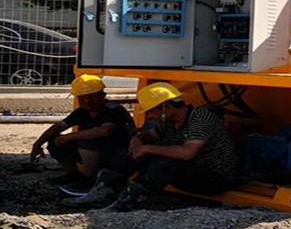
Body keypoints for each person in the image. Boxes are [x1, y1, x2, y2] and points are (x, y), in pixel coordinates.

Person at [64, 81, 240, 211]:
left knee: (166, 163)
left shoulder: (201, 119)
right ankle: (103, 192)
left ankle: (125, 203)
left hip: (214, 178)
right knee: (132, 152)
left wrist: (146, 148)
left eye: (153, 111)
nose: (150, 116)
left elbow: (187, 153)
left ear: (167, 107)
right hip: (191, 171)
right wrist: (136, 143)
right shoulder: (170, 121)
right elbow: (147, 136)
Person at [31, 74, 135, 184]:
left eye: (91, 96)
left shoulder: (113, 110)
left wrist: (69, 137)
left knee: (86, 143)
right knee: (56, 141)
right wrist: (38, 144)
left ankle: (89, 179)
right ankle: (73, 174)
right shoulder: (82, 112)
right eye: (82, 97)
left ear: (102, 95)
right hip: (97, 152)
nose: (87, 101)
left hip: (119, 154)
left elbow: (105, 131)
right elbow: (59, 126)